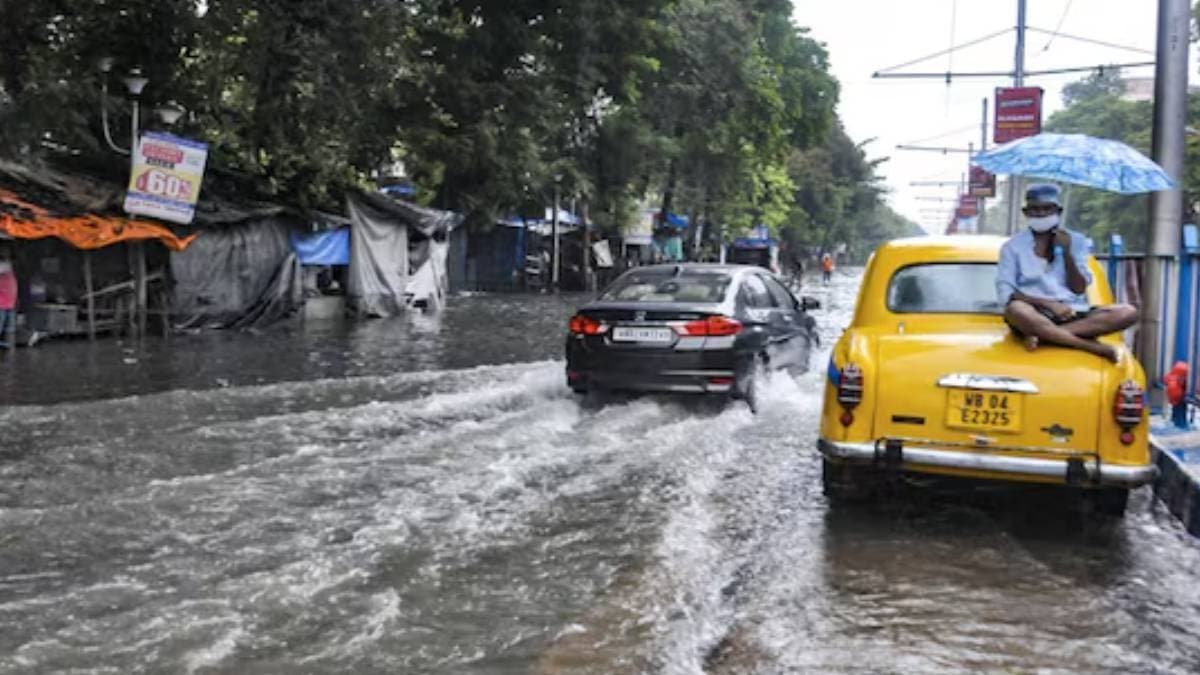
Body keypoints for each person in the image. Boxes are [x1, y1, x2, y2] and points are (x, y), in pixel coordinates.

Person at [997, 183, 1138, 362]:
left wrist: (1067, 252)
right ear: (1026, 213)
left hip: (1072, 314)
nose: (1041, 214)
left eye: (1047, 209)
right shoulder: (1012, 247)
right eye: (1035, 210)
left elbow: (1079, 288)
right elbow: (1006, 294)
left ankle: (1045, 337)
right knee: (1016, 309)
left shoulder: (1076, 241)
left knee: (1128, 312)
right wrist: (1049, 304)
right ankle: (1090, 346)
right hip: (1031, 314)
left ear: (1058, 211)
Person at [0, 252, 16, 348]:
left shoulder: (7, 276)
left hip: (7, 304)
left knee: (6, 326)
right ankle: (7, 343)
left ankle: (7, 343)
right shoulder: (9, 276)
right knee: (7, 326)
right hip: (5, 304)